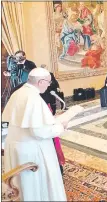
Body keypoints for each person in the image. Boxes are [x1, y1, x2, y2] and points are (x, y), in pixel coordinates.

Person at [2, 68, 68, 201]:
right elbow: (39, 131)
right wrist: (60, 127)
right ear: (41, 81)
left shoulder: (19, 92)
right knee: (33, 187)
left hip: (16, 146)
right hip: (30, 151)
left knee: (21, 185)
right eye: (48, 82)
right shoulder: (33, 98)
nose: (49, 85)